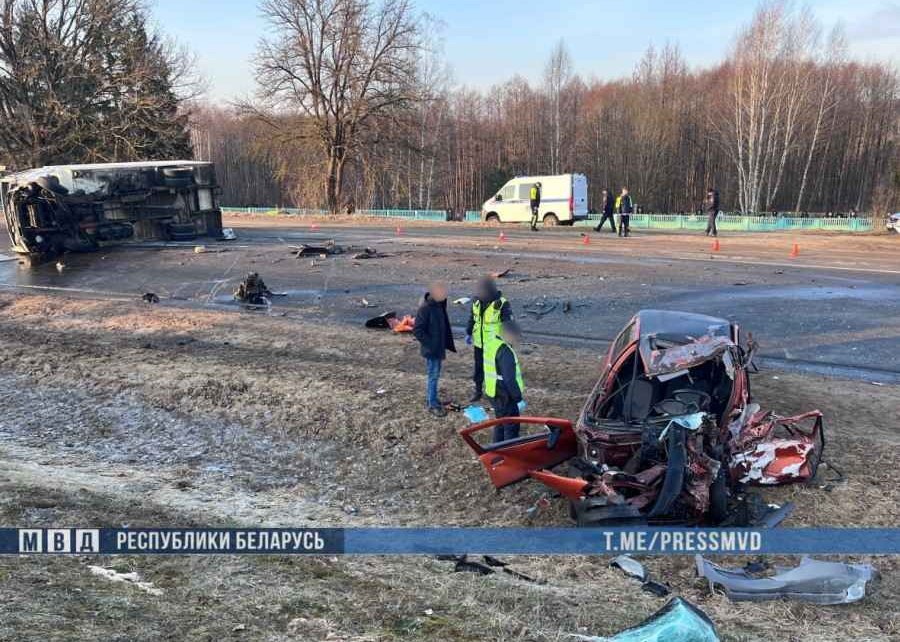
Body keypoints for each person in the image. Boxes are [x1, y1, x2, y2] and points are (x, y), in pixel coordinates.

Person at [465, 277, 512, 403]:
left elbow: (508, 324)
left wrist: (508, 341)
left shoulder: (502, 304)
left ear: (490, 290)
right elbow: (472, 318)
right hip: (479, 344)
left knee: (495, 370)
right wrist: (468, 332)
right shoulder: (476, 302)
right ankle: (478, 391)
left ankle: (495, 392)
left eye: (483, 291)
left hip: (494, 346)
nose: (481, 294)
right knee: (479, 368)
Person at [413, 282, 456, 417]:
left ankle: (433, 399)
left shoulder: (439, 305)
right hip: (432, 350)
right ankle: (432, 404)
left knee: (434, 375)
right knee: (433, 376)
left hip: (438, 348)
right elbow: (417, 330)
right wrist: (431, 344)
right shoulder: (425, 308)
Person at [484, 320, 526, 443]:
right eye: (515, 336)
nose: (517, 339)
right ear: (508, 334)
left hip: (493, 391)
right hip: (505, 395)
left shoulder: (492, 343)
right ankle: (509, 450)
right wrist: (518, 398)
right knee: (511, 426)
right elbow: (509, 379)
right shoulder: (505, 352)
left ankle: (496, 447)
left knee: (500, 422)